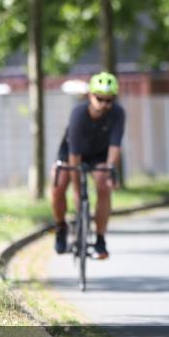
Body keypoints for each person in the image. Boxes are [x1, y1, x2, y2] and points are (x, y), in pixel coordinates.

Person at [51, 72, 124, 259]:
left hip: (98, 154)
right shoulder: (78, 114)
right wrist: (77, 190)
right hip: (72, 152)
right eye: (99, 99)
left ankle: (100, 239)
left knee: (103, 185)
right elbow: (74, 154)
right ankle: (60, 228)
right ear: (90, 96)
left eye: (109, 100)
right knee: (58, 185)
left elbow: (115, 146)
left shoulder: (117, 113)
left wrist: (109, 172)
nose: (104, 105)